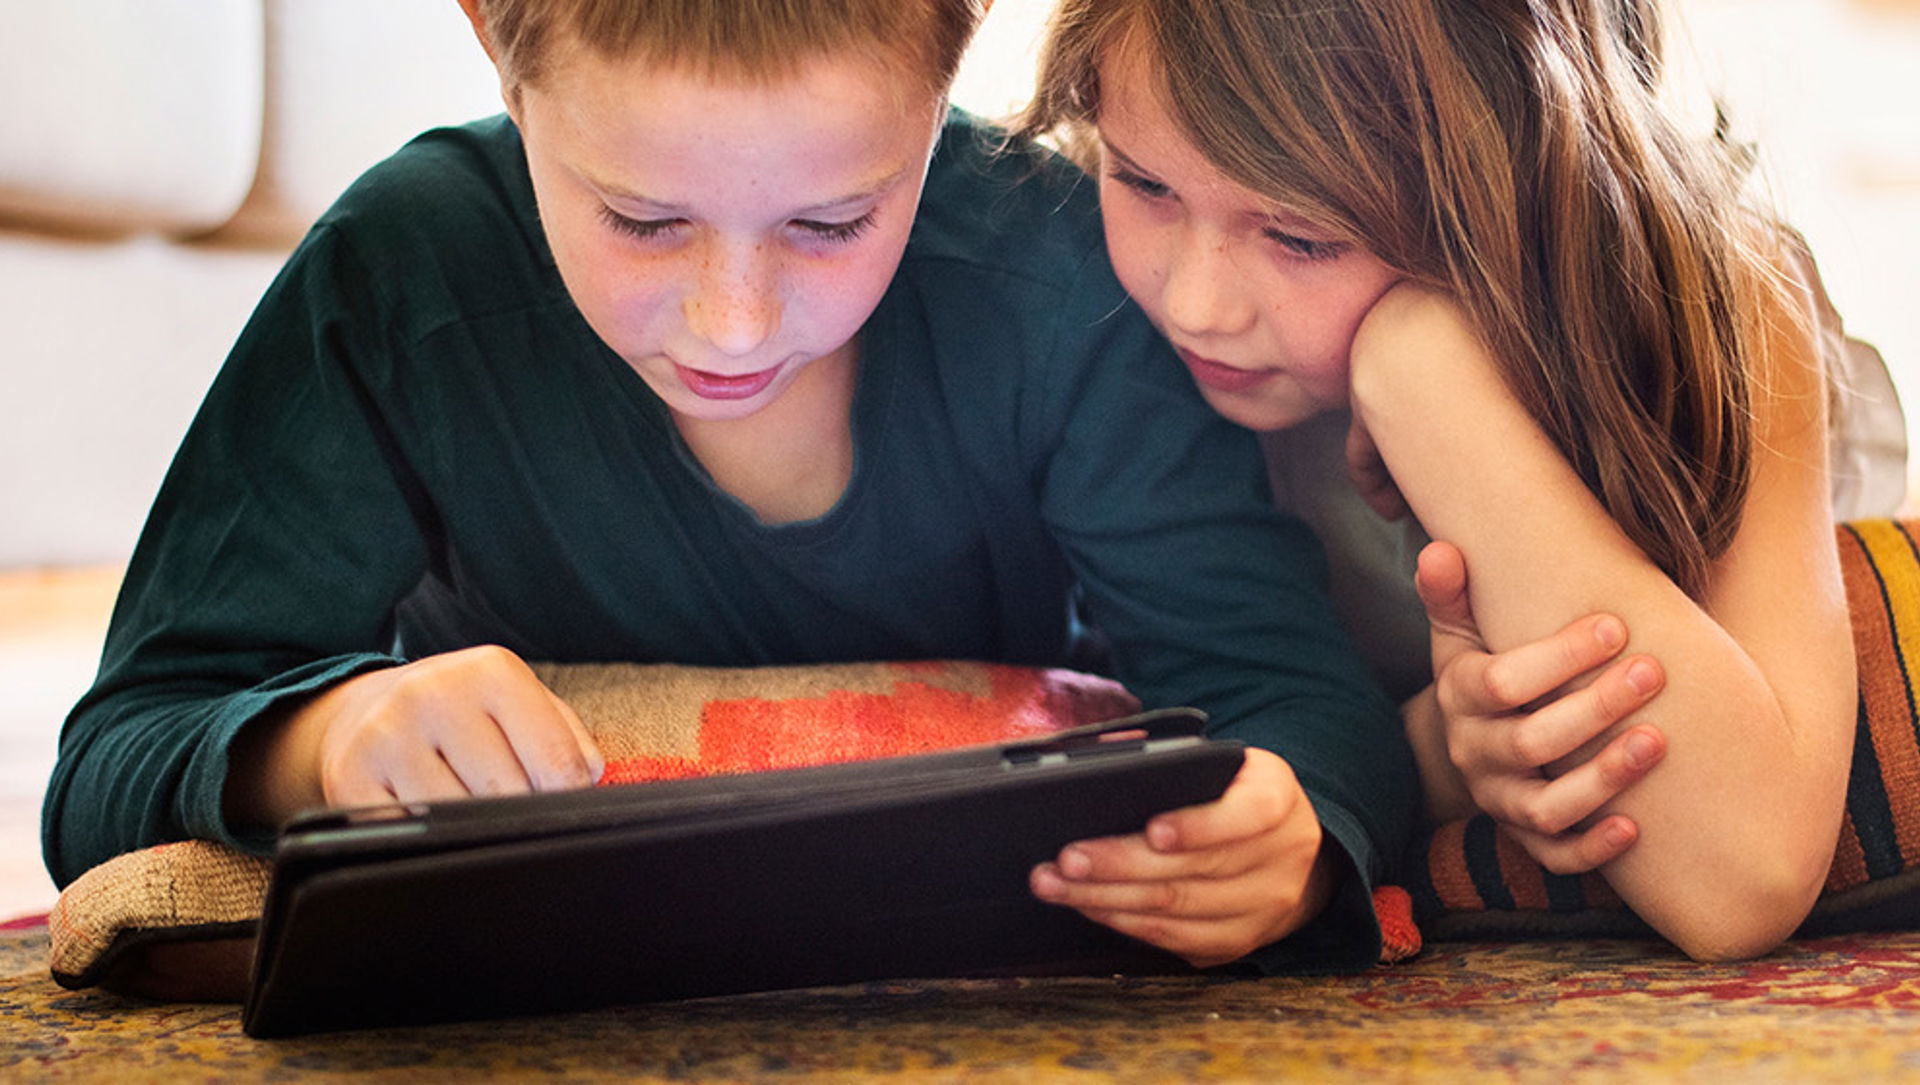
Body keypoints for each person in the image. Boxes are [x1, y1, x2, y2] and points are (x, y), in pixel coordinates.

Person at [41, 0, 1419, 974]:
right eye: (642, 221)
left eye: (832, 223)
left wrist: (1293, 832)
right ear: (493, 41)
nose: (735, 323)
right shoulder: (403, 276)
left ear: (954, 63)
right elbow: (107, 765)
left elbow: (1294, 699)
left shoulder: (1058, 279)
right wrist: (325, 738)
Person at [1017, 0, 1907, 960]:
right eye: (1144, 182)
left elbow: (1745, 873)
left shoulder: (1720, 306)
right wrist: (1445, 749)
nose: (1194, 304)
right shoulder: (1091, 336)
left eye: (1304, 239)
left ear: (1508, 178)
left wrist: (1418, 370)